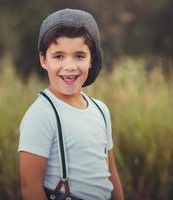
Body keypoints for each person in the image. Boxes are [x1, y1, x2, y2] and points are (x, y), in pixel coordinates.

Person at [18, 8, 124, 200]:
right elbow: (30, 187)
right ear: (43, 60)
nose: (69, 66)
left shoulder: (101, 110)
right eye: (58, 56)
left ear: (92, 59)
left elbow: (111, 173)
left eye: (79, 56)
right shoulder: (41, 115)